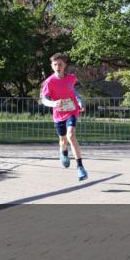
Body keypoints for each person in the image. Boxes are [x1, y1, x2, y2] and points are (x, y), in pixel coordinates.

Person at [40, 53, 87, 181]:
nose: (58, 66)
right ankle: (64, 151)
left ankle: (80, 168)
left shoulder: (72, 78)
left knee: (71, 135)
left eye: (60, 64)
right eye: (55, 64)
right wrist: (53, 103)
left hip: (72, 111)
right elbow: (43, 99)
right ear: (52, 66)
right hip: (58, 114)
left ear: (65, 65)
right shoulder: (49, 82)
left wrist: (80, 102)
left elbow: (74, 92)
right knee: (63, 140)